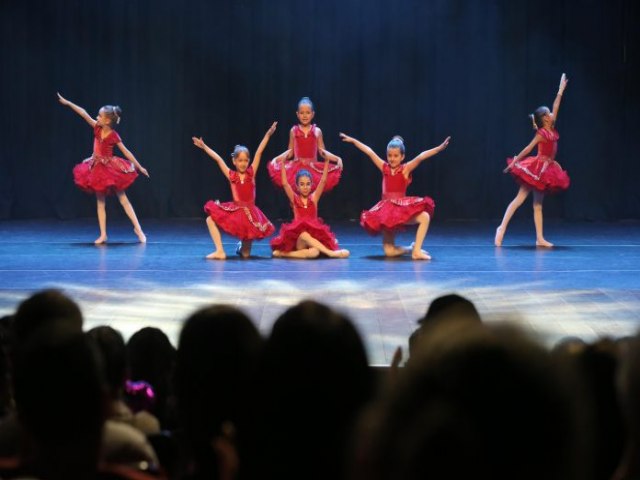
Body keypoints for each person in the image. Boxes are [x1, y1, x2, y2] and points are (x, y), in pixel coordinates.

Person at [57, 93, 149, 245]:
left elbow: (126, 152)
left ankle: (138, 229)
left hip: (110, 169)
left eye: (99, 116)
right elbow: (83, 113)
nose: (96, 117)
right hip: (97, 168)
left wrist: (139, 166)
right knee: (100, 202)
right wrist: (68, 103)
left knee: (123, 199)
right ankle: (103, 234)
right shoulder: (97, 127)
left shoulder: (113, 135)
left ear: (107, 120)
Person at [340, 133, 450, 260]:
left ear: (402, 156)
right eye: (389, 155)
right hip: (386, 212)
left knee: (424, 217)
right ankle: (411, 248)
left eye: (396, 156)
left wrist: (438, 148)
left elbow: (421, 156)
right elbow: (369, 152)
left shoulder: (405, 169)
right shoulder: (384, 168)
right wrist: (354, 141)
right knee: (389, 252)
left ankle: (417, 251)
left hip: (400, 209)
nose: (392, 159)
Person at [495, 73, 570, 247]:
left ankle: (539, 238)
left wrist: (560, 90)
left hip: (546, 169)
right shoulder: (541, 133)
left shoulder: (552, 128)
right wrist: (514, 163)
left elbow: (556, 105)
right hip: (536, 168)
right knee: (520, 199)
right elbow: (528, 149)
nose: (552, 114)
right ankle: (501, 228)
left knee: (538, 205)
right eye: (549, 113)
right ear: (545, 118)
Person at [192, 123, 277, 259]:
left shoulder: (251, 173)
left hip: (250, 215)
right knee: (210, 219)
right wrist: (204, 147)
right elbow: (218, 159)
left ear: (248, 161)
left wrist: (268, 135)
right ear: (234, 161)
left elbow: (259, 152)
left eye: (245, 160)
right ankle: (220, 251)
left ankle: (241, 248)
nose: (243, 163)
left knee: (245, 255)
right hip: (236, 210)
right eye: (240, 160)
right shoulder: (231, 175)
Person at [270, 151, 349, 259]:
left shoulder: (314, 198)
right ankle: (330, 253)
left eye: (308, 184)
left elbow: (323, 181)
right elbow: (285, 184)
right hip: (299, 240)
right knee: (304, 235)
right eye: (302, 184)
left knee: (314, 252)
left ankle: (283, 254)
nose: (305, 187)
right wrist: (283, 163)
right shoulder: (295, 199)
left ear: (311, 185)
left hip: (313, 238)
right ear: (297, 186)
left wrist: (326, 161)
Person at [267, 97, 342, 193]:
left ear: (312, 114)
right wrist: (276, 159)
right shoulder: (293, 131)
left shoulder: (317, 131)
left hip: (313, 169)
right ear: (297, 114)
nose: (305, 115)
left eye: (308, 112)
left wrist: (337, 158)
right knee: (296, 196)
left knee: (312, 196)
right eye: (302, 113)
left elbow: (322, 152)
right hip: (296, 169)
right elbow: (290, 153)